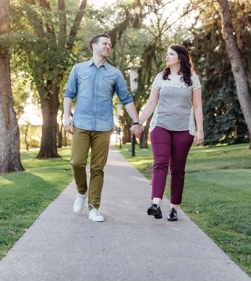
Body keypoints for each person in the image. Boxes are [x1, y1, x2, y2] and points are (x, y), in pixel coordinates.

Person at [63, 33, 143, 223]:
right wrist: (67, 117)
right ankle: (82, 192)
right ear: (94, 46)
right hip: (81, 124)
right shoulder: (79, 69)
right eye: (105, 44)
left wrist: (137, 121)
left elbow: (126, 99)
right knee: (77, 162)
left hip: (104, 126)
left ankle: (94, 208)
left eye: (110, 44)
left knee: (98, 168)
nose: (108, 46)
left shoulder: (114, 73)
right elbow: (68, 94)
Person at [136, 44, 204, 222]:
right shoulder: (161, 77)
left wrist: (199, 129)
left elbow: (197, 106)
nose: (167, 57)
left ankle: (174, 208)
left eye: (171, 54)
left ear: (180, 57)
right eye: (166, 54)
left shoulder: (192, 79)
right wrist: (139, 122)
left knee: (178, 169)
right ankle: (155, 204)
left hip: (184, 129)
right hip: (161, 126)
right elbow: (151, 103)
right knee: (160, 163)